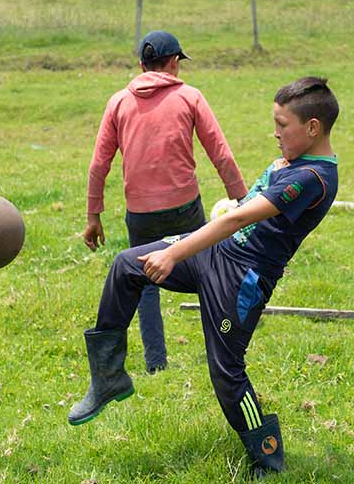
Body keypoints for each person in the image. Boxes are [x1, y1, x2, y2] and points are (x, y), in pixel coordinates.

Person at [70, 76, 340, 479]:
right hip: (216, 253)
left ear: (313, 127)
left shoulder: (313, 178)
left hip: (242, 277)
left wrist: (173, 252)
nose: (276, 132)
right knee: (127, 265)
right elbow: (244, 207)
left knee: (226, 370)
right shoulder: (294, 162)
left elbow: (241, 218)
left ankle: (268, 456)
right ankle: (108, 377)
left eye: (283, 125)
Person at [83, 30, 248, 374]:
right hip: (184, 207)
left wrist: (93, 215)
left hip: (140, 213)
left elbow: (99, 163)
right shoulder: (190, 96)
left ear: (141, 65)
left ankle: (155, 363)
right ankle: (221, 347)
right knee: (210, 272)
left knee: (145, 284)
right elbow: (220, 151)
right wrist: (242, 199)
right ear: (174, 63)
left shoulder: (118, 102)